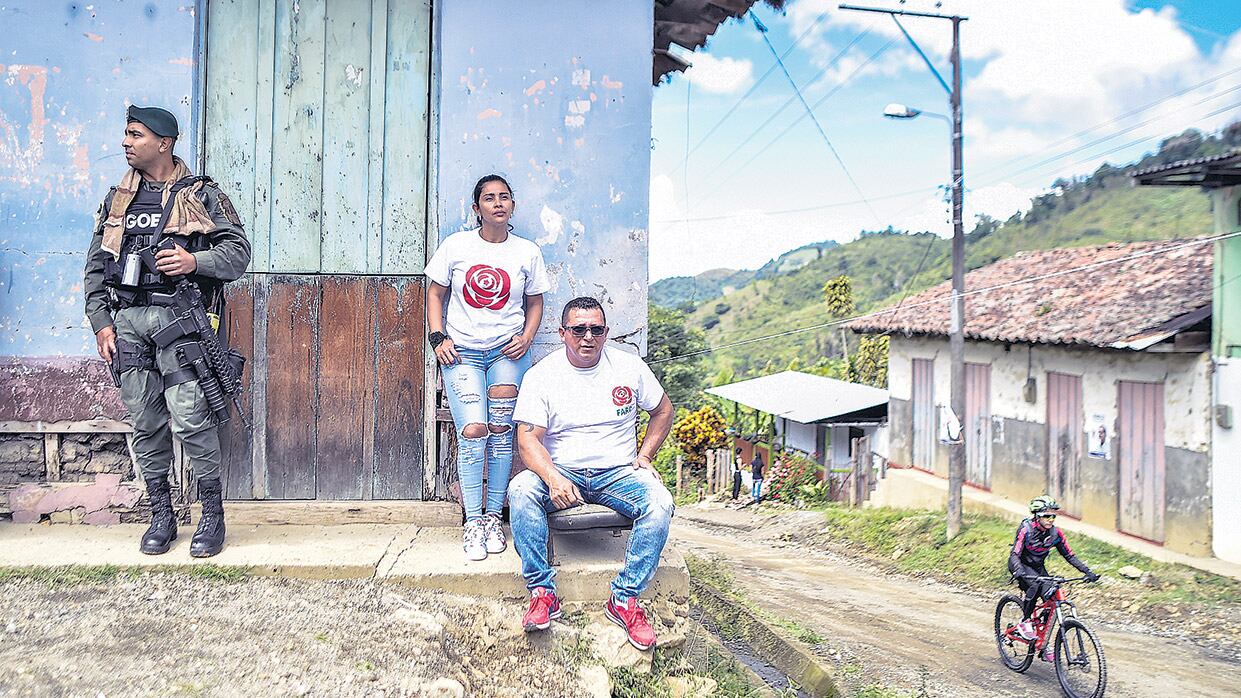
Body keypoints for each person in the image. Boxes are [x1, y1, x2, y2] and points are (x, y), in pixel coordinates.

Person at [83, 105, 250, 557]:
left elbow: (238, 253)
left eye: (135, 135)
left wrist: (195, 262)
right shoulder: (117, 200)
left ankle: (211, 515)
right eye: (126, 134)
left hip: (179, 322)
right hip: (129, 322)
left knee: (191, 417)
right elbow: (97, 266)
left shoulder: (202, 195)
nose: (125, 142)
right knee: (145, 421)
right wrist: (101, 323)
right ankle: (161, 514)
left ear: (164, 142)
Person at [509, 297, 675, 650]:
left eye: (596, 329)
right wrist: (553, 478)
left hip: (618, 472)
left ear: (606, 332)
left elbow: (663, 411)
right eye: (578, 329)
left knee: (660, 503)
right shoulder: (542, 375)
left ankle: (625, 599)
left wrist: (645, 456)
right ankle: (542, 593)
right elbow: (527, 440)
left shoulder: (629, 368)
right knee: (521, 490)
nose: (588, 337)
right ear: (562, 332)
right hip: (563, 470)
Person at [426, 174, 550, 561]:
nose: (497, 203)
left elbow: (535, 302)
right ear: (476, 207)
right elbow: (434, 293)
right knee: (473, 430)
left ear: (513, 205)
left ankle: (494, 517)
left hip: (507, 355)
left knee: (500, 433)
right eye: (489, 198)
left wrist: (528, 338)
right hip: (461, 352)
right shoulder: (457, 246)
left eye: (504, 197)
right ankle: (472, 521)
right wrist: (437, 338)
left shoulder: (527, 252)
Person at [1009, 495, 1100, 660]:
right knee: (1034, 586)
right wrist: (1018, 570)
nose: (1051, 519)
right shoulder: (1026, 529)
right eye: (1046, 516)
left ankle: (1042, 641)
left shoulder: (1055, 533)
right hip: (1021, 566)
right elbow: (1015, 553)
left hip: (1038, 568)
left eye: (1053, 516)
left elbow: (1070, 556)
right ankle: (1025, 621)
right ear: (1037, 515)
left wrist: (1088, 572)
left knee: (1052, 594)